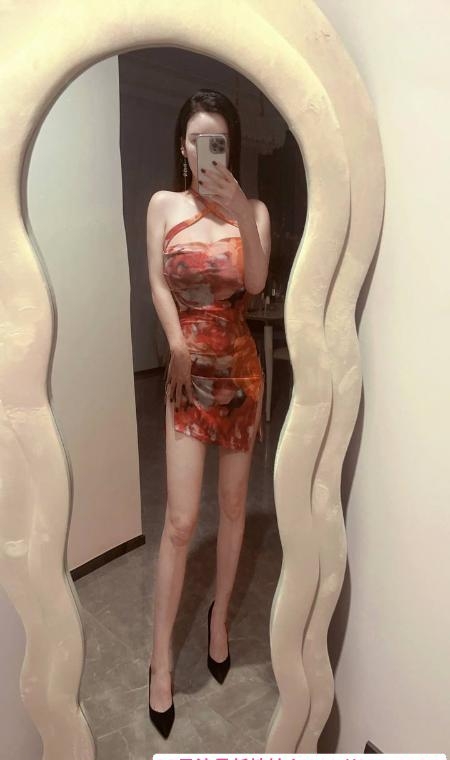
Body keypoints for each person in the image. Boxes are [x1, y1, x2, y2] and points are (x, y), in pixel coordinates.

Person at [146, 88, 271, 739]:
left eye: (217, 140)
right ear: (182, 146)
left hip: (240, 371)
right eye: (197, 139)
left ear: (230, 149)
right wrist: (175, 342)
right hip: (186, 371)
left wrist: (240, 211)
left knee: (232, 506)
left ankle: (219, 621)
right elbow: (156, 278)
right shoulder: (163, 206)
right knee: (180, 520)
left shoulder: (254, 211)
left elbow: (255, 284)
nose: (205, 151)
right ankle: (160, 659)